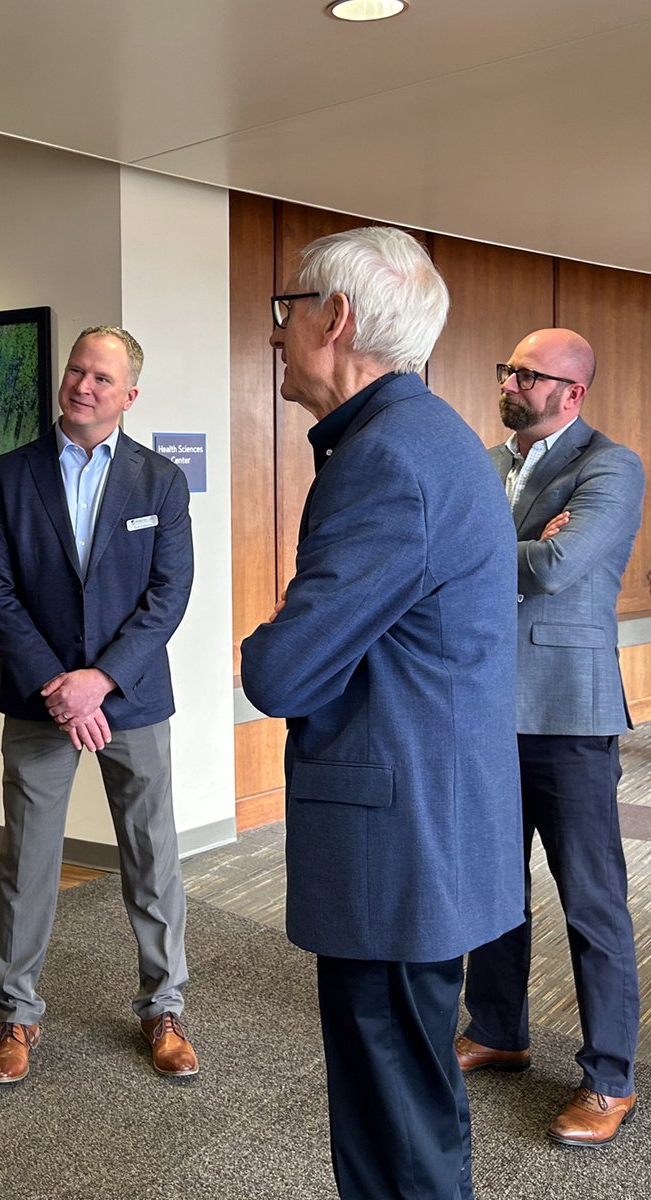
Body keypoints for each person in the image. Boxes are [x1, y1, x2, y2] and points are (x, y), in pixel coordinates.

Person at [240, 226, 524, 1200]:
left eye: (289, 313)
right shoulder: (429, 438)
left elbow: (282, 671)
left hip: (399, 845)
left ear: (337, 319)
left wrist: (269, 637)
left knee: (393, 1131)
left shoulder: (387, 460)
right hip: (430, 822)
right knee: (410, 1106)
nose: (278, 337)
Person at [0, 325, 197, 1085]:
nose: (84, 386)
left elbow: (169, 596)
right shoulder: (8, 476)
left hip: (130, 698)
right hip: (40, 702)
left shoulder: (159, 481)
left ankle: (163, 1008)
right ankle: (15, 1016)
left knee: (152, 856)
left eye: (102, 378)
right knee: (28, 860)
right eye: (77, 370)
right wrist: (59, 687)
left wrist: (97, 681)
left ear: (129, 395)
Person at [457, 329, 644, 1147]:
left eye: (529, 374)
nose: (511, 381)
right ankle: (499, 1029)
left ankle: (610, 1076)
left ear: (571, 392)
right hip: (486, 709)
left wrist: (486, 547)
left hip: (569, 715)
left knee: (593, 902)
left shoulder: (611, 465)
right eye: (508, 368)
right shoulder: (489, 465)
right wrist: (513, 545)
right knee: (492, 889)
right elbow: (498, 558)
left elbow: (559, 568)